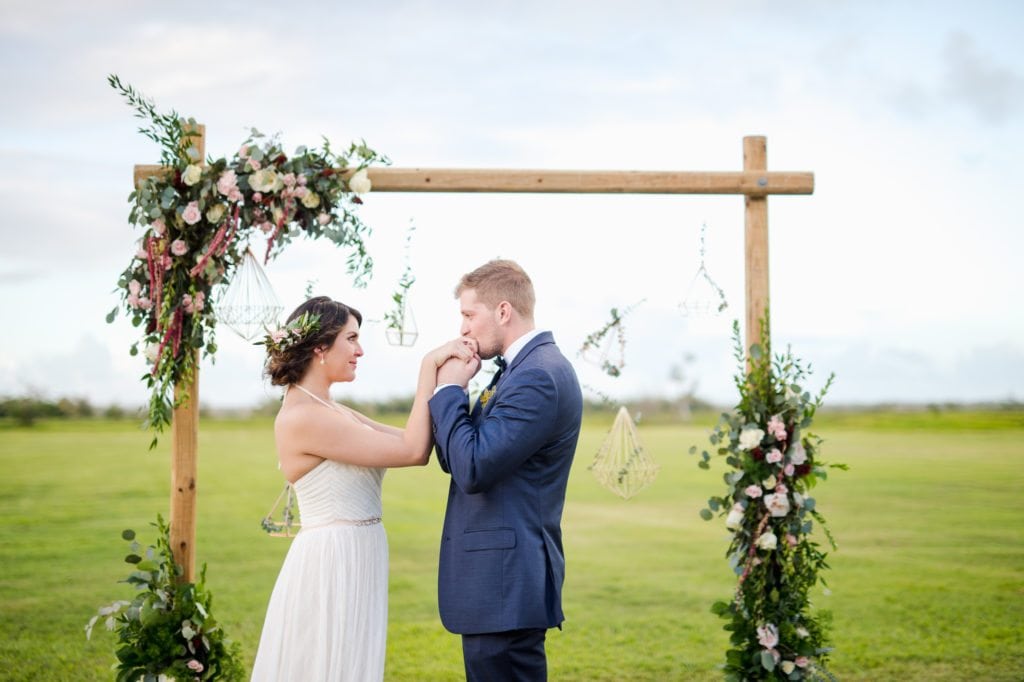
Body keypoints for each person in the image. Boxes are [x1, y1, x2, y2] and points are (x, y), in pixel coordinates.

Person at [250, 295, 476, 681]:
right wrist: (428, 368)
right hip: (332, 560)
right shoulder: (305, 416)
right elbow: (412, 450)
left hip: (358, 550)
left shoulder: (331, 410)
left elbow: (413, 438)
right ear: (320, 347)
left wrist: (454, 392)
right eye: (351, 339)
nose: (360, 350)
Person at [428, 260, 584, 681]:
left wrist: (448, 389)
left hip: (506, 584)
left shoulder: (536, 376)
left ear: (502, 311)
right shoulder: (518, 371)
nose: (462, 329)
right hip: (500, 587)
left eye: (468, 315)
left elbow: (473, 467)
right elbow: (455, 458)